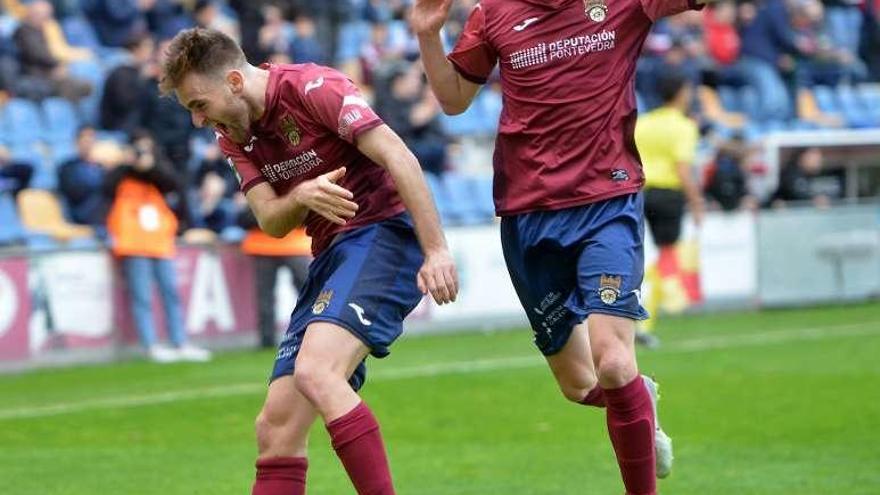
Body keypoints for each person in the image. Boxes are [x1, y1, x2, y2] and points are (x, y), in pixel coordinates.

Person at [411, 0, 705, 492]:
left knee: (612, 361)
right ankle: (638, 400)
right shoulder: (493, 13)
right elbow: (454, 99)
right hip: (528, 215)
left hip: (605, 203)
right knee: (580, 384)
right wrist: (426, 37)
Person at [159, 28, 458, 495]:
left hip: (382, 233)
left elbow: (400, 156)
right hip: (333, 256)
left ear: (234, 82)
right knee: (275, 430)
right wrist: (300, 195)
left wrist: (436, 249)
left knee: (317, 372)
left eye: (199, 104)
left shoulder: (313, 88)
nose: (199, 120)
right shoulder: (232, 135)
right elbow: (273, 222)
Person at [105, 130, 213, 364]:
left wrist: (150, 167)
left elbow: (173, 184)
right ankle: (150, 345)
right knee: (142, 296)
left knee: (170, 293)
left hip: (159, 240)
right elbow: (106, 188)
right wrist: (127, 164)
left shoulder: (158, 171)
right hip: (133, 241)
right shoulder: (121, 173)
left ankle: (180, 342)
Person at [635, 71, 704, 347]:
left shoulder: (644, 122)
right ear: (681, 93)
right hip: (668, 194)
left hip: (640, 193)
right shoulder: (683, 127)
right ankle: (643, 323)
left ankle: (639, 312)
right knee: (665, 257)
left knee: (646, 256)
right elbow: (683, 168)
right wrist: (697, 202)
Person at [238, 207, 312, 349]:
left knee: (309, 293)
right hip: (269, 246)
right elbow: (243, 219)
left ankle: (314, 334)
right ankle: (267, 340)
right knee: (309, 294)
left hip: (290, 246)